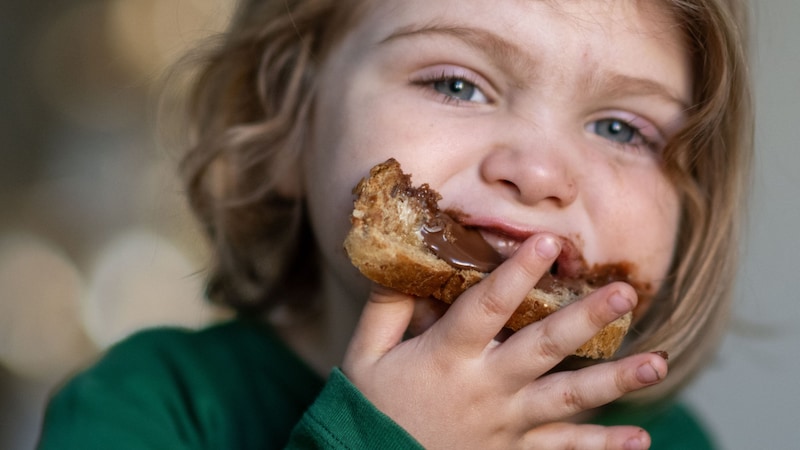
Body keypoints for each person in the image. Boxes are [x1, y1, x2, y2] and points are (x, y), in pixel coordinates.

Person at [38, 0, 753, 448]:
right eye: (456, 84)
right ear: (289, 126)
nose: (537, 172)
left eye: (621, 129)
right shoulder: (148, 405)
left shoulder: (660, 441)